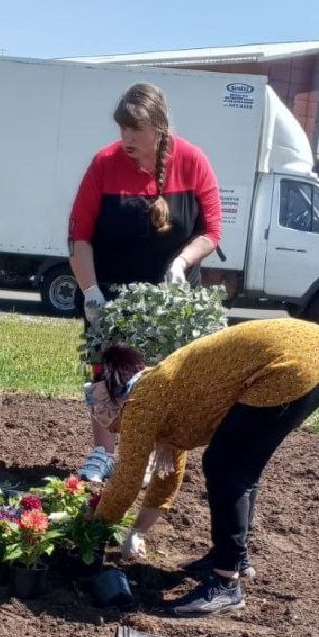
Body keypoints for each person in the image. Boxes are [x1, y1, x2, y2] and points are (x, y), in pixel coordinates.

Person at [87, 319, 319, 618]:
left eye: (112, 424)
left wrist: (90, 534)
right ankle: (234, 558)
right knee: (241, 465)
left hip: (294, 362)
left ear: (117, 403)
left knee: (225, 464)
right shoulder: (162, 392)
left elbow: (126, 482)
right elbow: (167, 477)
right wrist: (138, 532)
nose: (118, 432)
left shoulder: (141, 402)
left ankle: (225, 585)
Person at [66, 82, 222, 483]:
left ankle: (162, 452)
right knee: (106, 371)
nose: (127, 139)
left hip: (170, 296)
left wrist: (181, 264)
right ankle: (103, 454)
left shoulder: (193, 161)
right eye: (122, 129)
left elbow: (212, 231)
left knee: (170, 373)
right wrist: (91, 292)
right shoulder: (104, 163)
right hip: (113, 293)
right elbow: (78, 235)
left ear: (159, 126)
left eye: (136, 130)